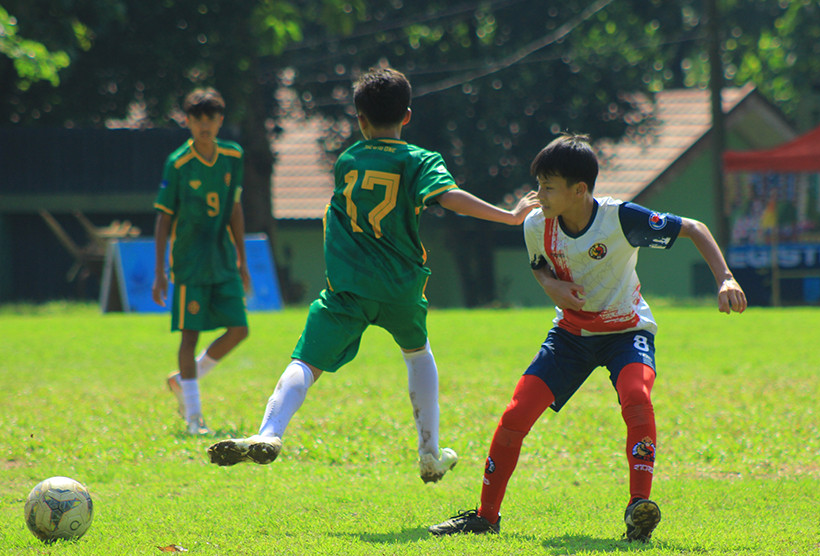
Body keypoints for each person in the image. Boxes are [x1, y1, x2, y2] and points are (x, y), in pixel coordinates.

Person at [207, 67, 539, 482]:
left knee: (306, 362)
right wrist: (509, 216)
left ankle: (270, 432)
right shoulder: (419, 159)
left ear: (360, 119)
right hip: (400, 285)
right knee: (418, 354)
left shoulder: (348, 159)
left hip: (348, 286)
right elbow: (449, 197)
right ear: (407, 116)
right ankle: (430, 453)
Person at [429, 134, 747, 541]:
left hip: (626, 332)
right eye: (539, 183)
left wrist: (725, 278)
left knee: (637, 396)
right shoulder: (536, 224)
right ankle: (485, 516)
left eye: (548, 186)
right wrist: (551, 286)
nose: (538, 194)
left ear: (579, 190)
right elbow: (539, 266)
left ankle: (638, 509)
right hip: (570, 336)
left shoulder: (620, 219)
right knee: (515, 415)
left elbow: (695, 228)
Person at [152, 87, 251, 436]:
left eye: (210, 118)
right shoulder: (178, 163)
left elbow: (235, 208)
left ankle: (183, 380)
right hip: (189, 261)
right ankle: (194, 418)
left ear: (220, 120)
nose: (204, 125)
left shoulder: (233, 156)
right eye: (197, 119)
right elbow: (163, 218)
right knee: (189, 335)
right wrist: (160, 272)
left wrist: (242, 260)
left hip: (222, 257)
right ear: (188, 121)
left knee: (239, 329)